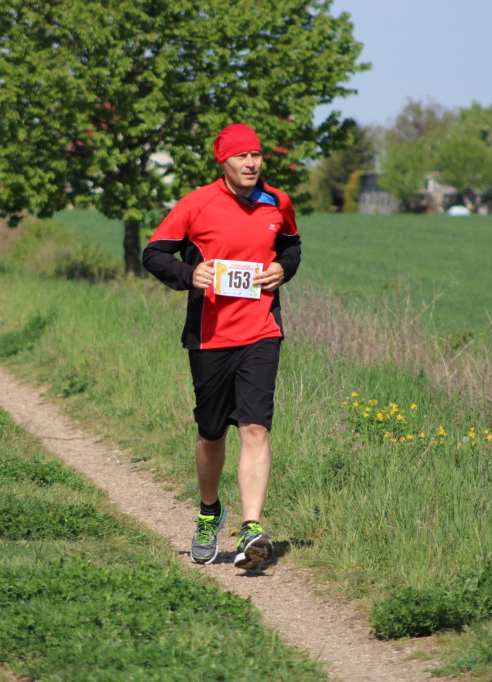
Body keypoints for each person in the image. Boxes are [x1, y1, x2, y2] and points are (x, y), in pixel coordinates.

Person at [142, 123, 301, 571]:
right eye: (241, 157)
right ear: (223, 162)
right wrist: (187, 275)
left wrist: (283, 271)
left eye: (256, 155)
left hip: (261, 331)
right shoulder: (197, 204)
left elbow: (292, 247)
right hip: (210, 336)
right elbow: (153, 254)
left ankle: (252, 528)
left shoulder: (278, 203)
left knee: (255, 428)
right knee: (212, 434)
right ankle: (209, 513)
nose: (251, 163)